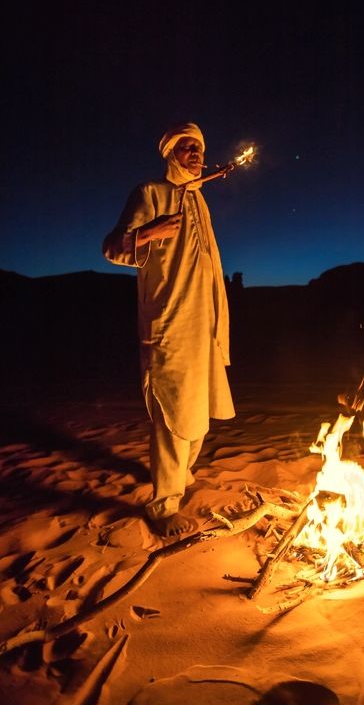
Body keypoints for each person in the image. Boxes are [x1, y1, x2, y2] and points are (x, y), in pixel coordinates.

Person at [103, 122, 235, 537]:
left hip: (204, 324)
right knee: (173, 409)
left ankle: (181, 473)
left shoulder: (199, 200)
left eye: (198, 147)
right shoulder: (150, 193)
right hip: (170, 322)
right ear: (170, 154)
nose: (195, 153)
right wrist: (149, 232)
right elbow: (111, 247)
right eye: (186, 147)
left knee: (200, 408)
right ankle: (164, 504)